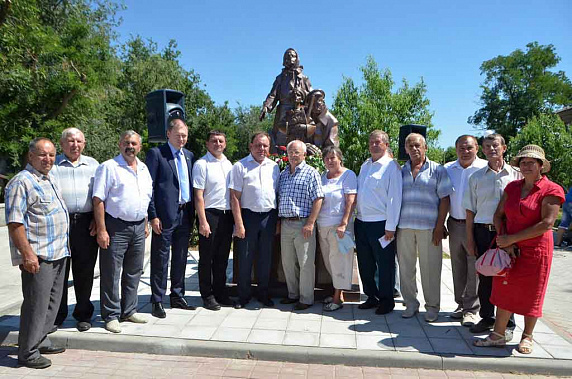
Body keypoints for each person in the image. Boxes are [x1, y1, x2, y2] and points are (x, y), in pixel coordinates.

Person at [474, 145, 564, 355]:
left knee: (532, 293)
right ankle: (498, 335)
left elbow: (546, 223)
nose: (526, 166)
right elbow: (498, 216)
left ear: (541, 166)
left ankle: (527, 336)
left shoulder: (552, 189)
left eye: (531, 162)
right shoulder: (512, 187)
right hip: (509, 249)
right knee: (504, 289)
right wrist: (507, 242)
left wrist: (511, 239)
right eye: (523, 162)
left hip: (536, 250)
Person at [5, 138, 69, 369]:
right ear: (30, 156)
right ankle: (27, 352)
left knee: (51, 302)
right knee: (36, 304)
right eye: (42, 155)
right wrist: (27, 254)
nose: (48, 159)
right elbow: (15, 223)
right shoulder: (21, 182)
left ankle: (41, 339)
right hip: (39, 255)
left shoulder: (49, 179)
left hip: (59, 252)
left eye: (51, 155)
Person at [93, 130, 152, 333]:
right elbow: (98, 199)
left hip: (138, 226)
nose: (130, 146)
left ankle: (129, 310)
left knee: (134, 271)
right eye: (127, 142)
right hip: (115, 227)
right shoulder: (109, 167)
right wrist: (102, 229)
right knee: (111, 272)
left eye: (134, 143)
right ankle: (110, 315)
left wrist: (144, 222)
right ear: (119, 144)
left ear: (140, 147)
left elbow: (144, 197)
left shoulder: (143, 168)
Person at [463, 133, 521, 337]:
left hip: (509, 234)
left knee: (508, 278)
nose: (491, 149)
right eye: (487, 146)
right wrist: (469, 238)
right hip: (483, 232)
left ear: (504, 147)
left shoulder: (516, 175)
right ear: (483, 150)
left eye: (495, 145)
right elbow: (469, 211)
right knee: (486, 277)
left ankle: (508, 323)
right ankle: (487, 318)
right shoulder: (476, 177)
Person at [397, 133, 453, 322]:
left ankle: (432, 307)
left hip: (429, 228)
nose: (414, 149)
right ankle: (411, 303)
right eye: (410, 146)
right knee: (406, 268)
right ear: (405, 149)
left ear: (425, 147)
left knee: (430, 268)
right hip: (404, 226)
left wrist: (440, 226)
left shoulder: (437, 169)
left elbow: (445, 199)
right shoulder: (400, 170)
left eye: (418, 145)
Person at [146, 119, 196, 319]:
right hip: (164, 216)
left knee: (181, 257)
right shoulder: (157, 154)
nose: (182, 139)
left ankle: (177, 295)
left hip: (185, 214)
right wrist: (153, 215)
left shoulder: (190, 156)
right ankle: (157, 299)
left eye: (184, 135)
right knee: (160, 259)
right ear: (168, 134)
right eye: (178, 135)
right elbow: (148, 186)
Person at [51, 128, 99, 332]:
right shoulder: (52, 166)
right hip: (60, 223)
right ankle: (57, 315)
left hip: (87, 223)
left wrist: (98, 220)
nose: (75, 145)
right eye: (70, 141)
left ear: (84, 143)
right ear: (62, 144)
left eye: (79, 141)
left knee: (85, 271)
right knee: (59, 271)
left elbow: (100, 195)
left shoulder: (94, 165)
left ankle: (83, 314)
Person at [229, 132, 280, 308]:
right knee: (245, 258)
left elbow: (277, 194)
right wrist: (239, 223)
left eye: (265, 146)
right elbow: (234, 197)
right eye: (258, 145)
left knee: (265, 259)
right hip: (248, 217)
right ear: (251, 146)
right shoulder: (240, 166)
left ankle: (263, 294)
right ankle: (243, 296)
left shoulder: (274, 167)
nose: (262, 149)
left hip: (268, 217)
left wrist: (277, 222)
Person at [355, 130, 402, 315]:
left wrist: (391, 226)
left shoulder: (391, 167)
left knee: (385, 265)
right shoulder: (365, 165)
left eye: (378, 142)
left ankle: (386, 300)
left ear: (386, 145)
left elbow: (394, 198)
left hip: (381, 223)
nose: (374, 145)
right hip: (362, 221)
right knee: (365, 263)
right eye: (372, 142)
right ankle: (371, 296)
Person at [443, 135, 487, 326]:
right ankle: (461, 304)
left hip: (476, 225)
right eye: (461, 148)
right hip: (454, 223)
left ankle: (471, 309)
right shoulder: (448, 169)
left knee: (473, 268)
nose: (465, 151)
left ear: (476, 148)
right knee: (458, 267)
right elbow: (444, 197)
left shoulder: (485, 168)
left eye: (469, 147)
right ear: (456, 148)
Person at [278, 139, 324, 310]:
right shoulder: (283, 174)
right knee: (288, 262)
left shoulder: (311, 173)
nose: (293, 155)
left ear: (304, 154)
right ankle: (293, 294)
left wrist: (310, 223)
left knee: (305, 263)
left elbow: (318, 198)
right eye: (290, 151)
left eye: (296, 152)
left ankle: (306, 298)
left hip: (303, 223)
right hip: (285, 223)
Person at [193, 131, 234, 311]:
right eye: (214, 141)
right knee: (207, 258)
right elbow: (198, 195)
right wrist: (202, 221)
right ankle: (207, 295)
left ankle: (220, 292)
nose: (217, 144)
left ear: (225, 144)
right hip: (209, 215)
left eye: (221, 141)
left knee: (222, 258)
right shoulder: (202, 164)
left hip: (227, 215)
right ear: (207, 144)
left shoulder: (228, 163)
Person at [316, 146, 357, 311]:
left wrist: (344, 223)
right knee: (329, 262)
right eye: (326, 158)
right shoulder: (322, 176)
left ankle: (337, 299)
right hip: (322, 225)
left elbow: (351, 201)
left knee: (340, 261)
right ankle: (337, 293)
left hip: (340, 227)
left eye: (333, 157)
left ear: (340, 159)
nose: (330, 161)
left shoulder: (348, 175)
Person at [260, 48, 313, 149]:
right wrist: (266, 107)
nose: (290, 58)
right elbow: (273, 95)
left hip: (299, 110)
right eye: (287, 56)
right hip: (284, 110)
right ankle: (281, 158)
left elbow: (311, 95)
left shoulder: (303, 78)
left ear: (297, 58)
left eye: (292, 56)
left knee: (299, 136)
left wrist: (301, 94)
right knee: (281, 136)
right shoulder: (280, 78)